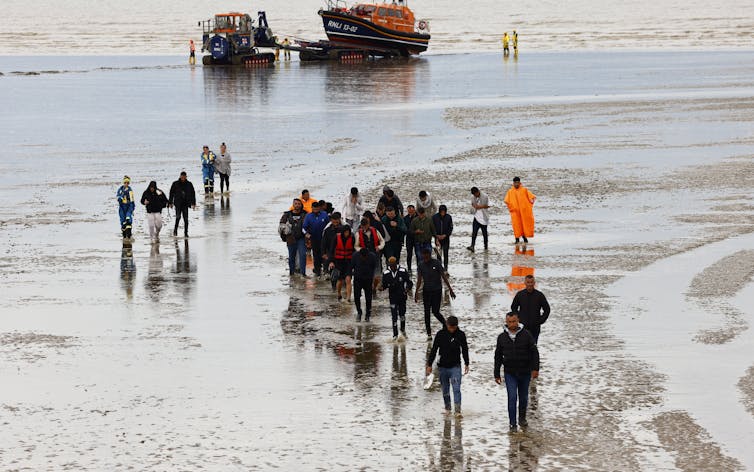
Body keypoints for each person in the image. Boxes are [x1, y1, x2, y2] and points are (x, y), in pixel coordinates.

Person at [494, 311, 540, 432]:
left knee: (524, 398)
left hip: (525, 372)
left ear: (518, 321)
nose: (512, 324)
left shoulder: (526, 335)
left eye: (514, 321)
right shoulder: (502, 337)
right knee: (512, 397)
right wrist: (496, 373)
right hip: (510, 373)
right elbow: (498, 355)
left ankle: (522, 419)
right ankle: (512, 424)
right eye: (509, 322)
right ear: (506, 322)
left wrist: (535, 369)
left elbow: (535, 352)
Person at [426, 316, 469, 417]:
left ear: (457, 326)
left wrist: (467, 363)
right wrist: (429, 364)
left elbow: (465, 349)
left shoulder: (461, 335)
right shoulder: (440, 334)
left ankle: (458, 411)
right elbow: (434, 349)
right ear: (447, 325)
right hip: (443, 367)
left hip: (455, 367)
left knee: (456, 389)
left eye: (454, 328)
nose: (452, 330)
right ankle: (448, 409)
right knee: (445, 390)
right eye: (450, 327)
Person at [415, 248, 456, 340]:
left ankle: (445, 324)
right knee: (426, 312)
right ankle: (429, 333)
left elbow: (444, 276)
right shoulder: (421, 265)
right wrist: (416, 292)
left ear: (429, 255)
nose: (425, 259)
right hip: (426, 291)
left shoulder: (436, 263)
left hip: (437, 291)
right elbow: (419, 280)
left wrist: (450, 289)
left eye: (426, 257)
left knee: (435, 311)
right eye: (423, 257)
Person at [510, 275, 550, 344]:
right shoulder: (520, 294)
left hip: (535, 327)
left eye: (531, 282)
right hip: (522, 327)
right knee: (522, 347)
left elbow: (547, 310)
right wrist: (518, 319)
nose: (530, 284)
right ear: (525, 283)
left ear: (534, 283)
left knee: (533, 346)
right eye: (528, 282)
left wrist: (540, 321)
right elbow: (513, 307)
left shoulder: (539, 295)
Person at [381, 256, 413, 340]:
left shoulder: (403, 271)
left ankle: (403, 329)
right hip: (392, 298)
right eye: (391, 265)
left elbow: (410, 283)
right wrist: (380, 287)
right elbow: (384, 286)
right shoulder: (386, 273)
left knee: (402, 315)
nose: (392, 267)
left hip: (402, 297)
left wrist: (407, 290)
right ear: (388, 264)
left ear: (396, 263)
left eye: (394, 265)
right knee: (394, 316)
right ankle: (395, 335)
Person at [279, 198, 308, 276]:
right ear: (293, 205)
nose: (297, 205)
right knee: (291, 257)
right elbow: (281, 226)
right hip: (290, 238)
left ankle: (303, 274)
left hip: (301, 238)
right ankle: (291, 274)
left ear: (301, 205)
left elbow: (309, 225)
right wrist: (284, 236)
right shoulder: (287, 215)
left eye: (299, 204)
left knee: (303, 255)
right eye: (296, 203)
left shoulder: (305, 214)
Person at [503, 177, 536, 244]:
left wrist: (528, 206)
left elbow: (532, 198)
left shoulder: (524, 190)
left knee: (524, 225)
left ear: (520, 183)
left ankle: (525, 238)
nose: (516, 184)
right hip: (515, 213)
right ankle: (517, 239)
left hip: (523, 212)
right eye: (515, 183)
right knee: (516, 225)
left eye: (518, 182)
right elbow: (506, 201)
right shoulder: (510, 191)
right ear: (513, 183)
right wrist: (511, 208)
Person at [303, 201, 330, 277]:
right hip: (314, 238)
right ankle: (317, 270)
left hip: (324, 238)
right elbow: (304, 228)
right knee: (316, 254)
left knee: (324, 254)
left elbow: (329, 225)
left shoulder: (324, 214)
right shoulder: (308, 216)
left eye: (317, 209)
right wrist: (306, 234)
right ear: (312, 208)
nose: (315, 210)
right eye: (314, 209)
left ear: (319, 208)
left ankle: (325, 270)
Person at [351, 248, 378, 322]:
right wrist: (349, 275)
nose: (364, 258)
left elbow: (375, 267)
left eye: (365, 257)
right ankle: (359, 312)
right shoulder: (355, 256)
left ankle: (368, 315)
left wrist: (374, 278)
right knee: (356, 297)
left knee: (368, 298)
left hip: (368, 280)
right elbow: (351, 266)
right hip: (357, 279)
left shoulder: (372, 256)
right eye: (362, 257)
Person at [329, 225, 354, 301]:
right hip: (338, 261)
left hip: (348, 262)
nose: (347, 234)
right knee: (339, 280)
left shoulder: (352, 238)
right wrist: (331, 261)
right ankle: (339, 293)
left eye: (348, 232)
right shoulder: (337, 238)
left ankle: (348, 298)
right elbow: (332, 250)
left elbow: (354, 250)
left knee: (348, 279)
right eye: (345, 232)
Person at [169, 172, 197, 237]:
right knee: (178, 217)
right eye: (182, 176)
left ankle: (186, 233)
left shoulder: (189, 184)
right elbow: (171, 193)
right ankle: (175, 230)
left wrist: (193, 203)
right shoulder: (175, 183)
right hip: (178, 203)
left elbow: (193, 194)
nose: (183, 178)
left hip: (185, 204)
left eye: (184, 177)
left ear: (186, 177)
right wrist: (170, 202)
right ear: (180, 176)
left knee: (186, 219)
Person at [321, 211, 344, 284]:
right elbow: (323, 243)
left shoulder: (344, 229)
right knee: (332, 272)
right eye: (334, 223)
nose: (335, 224)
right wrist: (324, 253)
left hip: (342, 253)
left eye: (337, 222)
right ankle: (334, 289)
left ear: (339, 220)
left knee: (342, 273)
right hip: (331, 253)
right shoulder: (327, 230)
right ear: (331, 221)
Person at [467, 187, 490, 252]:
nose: (475, 195)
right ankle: (472, 246)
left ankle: (486, 246)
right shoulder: (472, 197)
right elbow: (472, 204)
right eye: (473, 194)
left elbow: (489, 205)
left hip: (484, 217)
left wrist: (480, 207)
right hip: (476, 217)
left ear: (478, 192)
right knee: (474, 232)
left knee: (484, 233)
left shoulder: (485, 196)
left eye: (475, 194)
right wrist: (474, 206)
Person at [432, 204, 454, 272]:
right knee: (438, 254)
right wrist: (436, 236)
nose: (443, 213)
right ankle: (439, 267)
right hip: (437, 239)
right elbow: (432, 228)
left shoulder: (449, 217)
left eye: (444, 211)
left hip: (446, 238)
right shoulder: (434, 217)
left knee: (445, 253)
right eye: (441, 211)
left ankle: (446, 267)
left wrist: (446, 235)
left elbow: (450, 228)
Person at [404, 205, 417, 271]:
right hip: (409, 239)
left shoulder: (418, 217)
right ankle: (409, 268)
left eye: (412, 211)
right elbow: (405, 229)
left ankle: (419, 268)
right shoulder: (405, 218)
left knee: (418, 254)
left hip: (417, 238)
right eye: (409, 212)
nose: (410, 213)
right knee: (409, 254)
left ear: (414, 210)